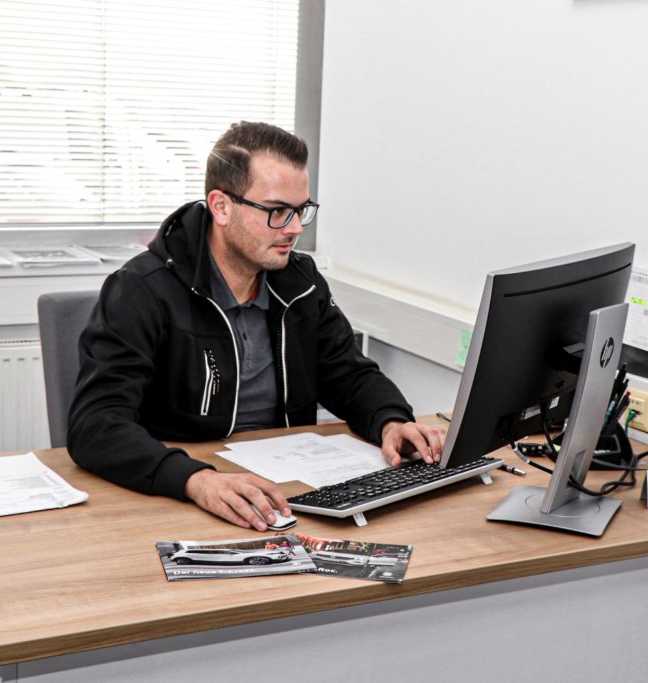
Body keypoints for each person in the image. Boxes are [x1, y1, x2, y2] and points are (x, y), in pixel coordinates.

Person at [67, 121, 444, 531]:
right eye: (277, 211)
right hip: (180, 494)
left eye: (301, 210)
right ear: (221, 206)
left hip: (283, 493)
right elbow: (96, 425)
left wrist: (391, 421)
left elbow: (346, 374)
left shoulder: (299, 281)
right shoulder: (141, 290)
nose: (296, 228)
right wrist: (196, 480)